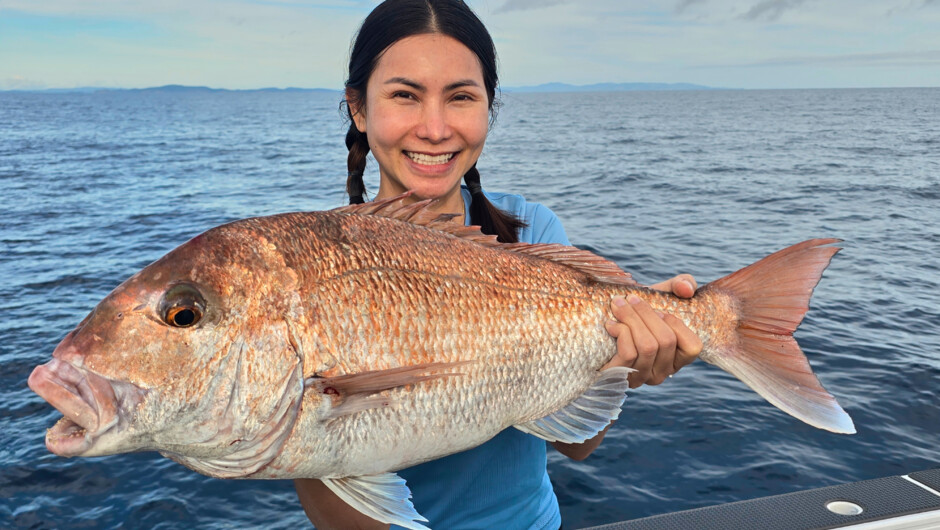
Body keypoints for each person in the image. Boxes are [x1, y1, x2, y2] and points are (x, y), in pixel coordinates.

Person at [294, 1, 703, 527]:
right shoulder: (314, 266)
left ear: (489, 108)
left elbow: (577, 445)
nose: (436, 129)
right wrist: (300, 416)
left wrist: (634, 358)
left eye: (461, 97)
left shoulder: (531, 231)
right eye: (404, 96)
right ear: (359, 108)